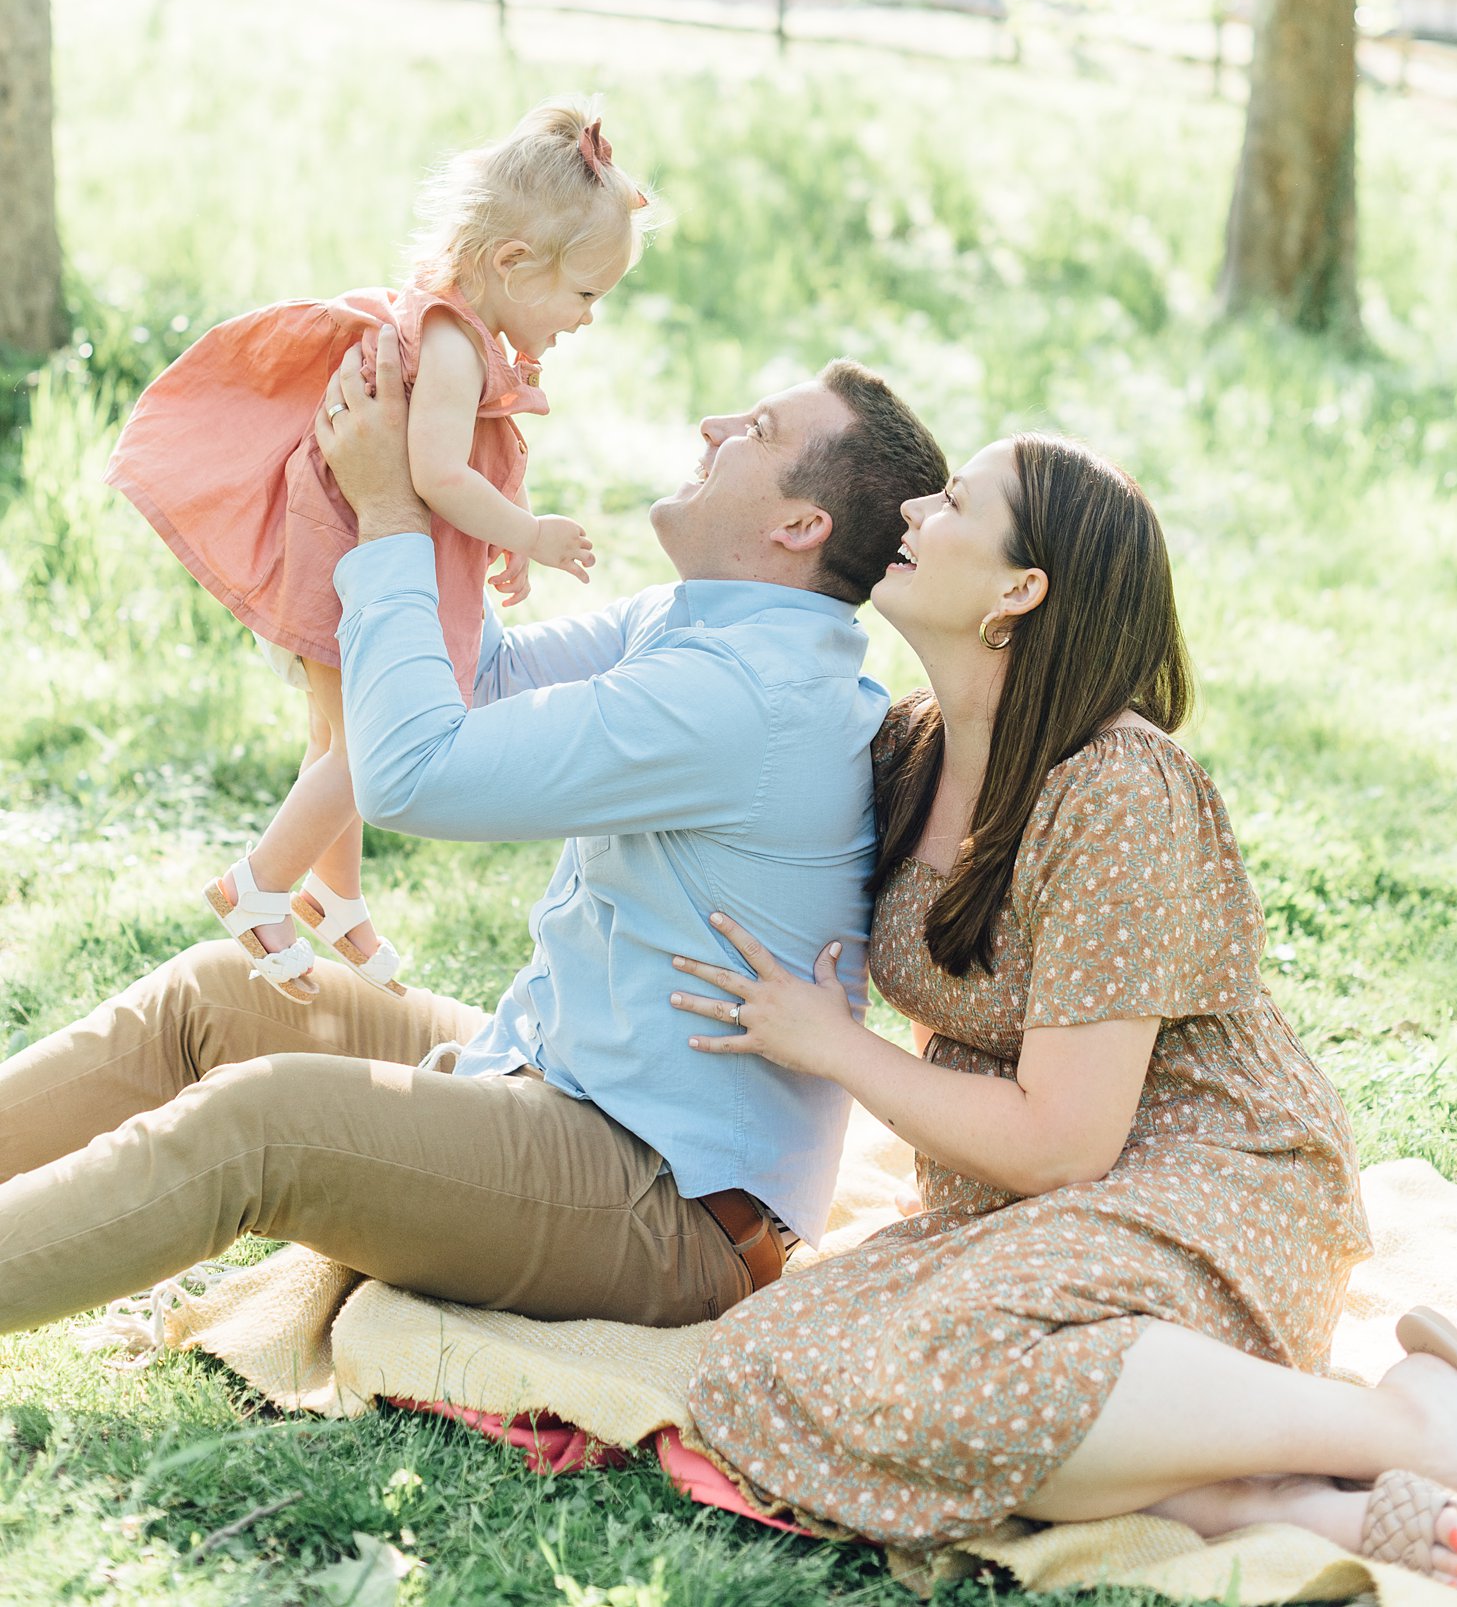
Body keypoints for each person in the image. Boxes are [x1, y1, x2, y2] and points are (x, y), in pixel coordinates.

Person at [0, 336, 948, 1337]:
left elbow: (414, 773)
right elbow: (468, 676)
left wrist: (390, 521)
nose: (713, 429)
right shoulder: (701, 625)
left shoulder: (743, 697)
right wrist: (435, 478)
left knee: (261, 1125)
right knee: (212, 1000)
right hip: (547, 1081)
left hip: (662, 1206)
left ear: (803, 524)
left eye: (755, 432)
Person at [680, 434, 1457, 1591]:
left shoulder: (1119, 786)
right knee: (768, 1362)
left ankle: (1407, 1431)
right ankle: (1282, 1505)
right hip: (1018, 1213)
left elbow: (1070, 1140)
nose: (915, 508)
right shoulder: (911, 750)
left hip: (1211, 1179)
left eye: (956, 499)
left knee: (969, 1371)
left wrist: (841, 1049)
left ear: (1022, 590)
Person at [106, 98, 648, 1001]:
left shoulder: (463, 324)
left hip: (349, 538)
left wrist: (494, 539)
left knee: (336, 730)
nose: (590, 317)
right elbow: (436, 473)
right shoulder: (454, 342)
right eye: (586, 293)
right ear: (513, 264)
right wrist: (530, 533)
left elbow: (458, 466)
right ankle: (258, 883)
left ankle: (336, 894)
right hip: (344, 543)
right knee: (365, 746)